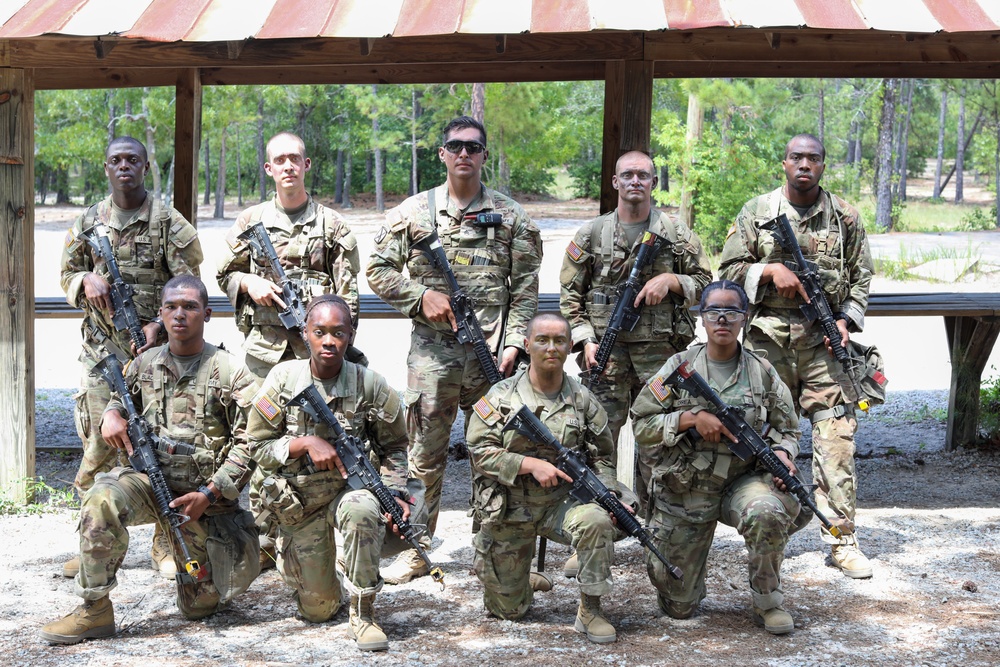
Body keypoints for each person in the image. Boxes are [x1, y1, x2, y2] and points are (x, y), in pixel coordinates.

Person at [367, 115, 542, 584]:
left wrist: (512, 342)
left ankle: (494, 548)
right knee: (424, 454)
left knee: (494, 452)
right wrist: (420, 297)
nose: (464, 153)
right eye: (455, 146)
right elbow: (378, 270)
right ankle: (418, 548)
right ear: (441, 154)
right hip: (433, 357)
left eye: (473, 146)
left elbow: (525, 289)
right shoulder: (413, 214)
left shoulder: (511, 216)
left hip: (492, 359)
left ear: (484, 155)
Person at [40, 276, 259, 645]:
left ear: (207, 314)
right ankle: (94, 610)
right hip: (146, 485)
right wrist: (111, 413)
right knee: (101, 497)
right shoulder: (144, 363)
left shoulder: (230, 371)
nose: (179, 315)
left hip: (201, 502)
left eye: (189, 307)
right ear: (160, 313)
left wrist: (209, 493)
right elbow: (120, 397)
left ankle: (197, 556)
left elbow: (251, 443)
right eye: (171, 307)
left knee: (200, 606)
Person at [719, 133, 875, 579]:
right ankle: (770, 532)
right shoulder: (757, 212)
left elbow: (862, 278)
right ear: (783, 163)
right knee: (765, 441)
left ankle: (841, 540)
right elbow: (726, 272)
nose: (804, 164)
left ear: (823, 166)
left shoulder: (845, 216)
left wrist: (845, 321)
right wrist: (770, 270)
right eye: (796, 157)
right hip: (767, 343)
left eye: (813, 158)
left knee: (837, 439)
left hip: (824, 345)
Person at [59, 136, 204, 580]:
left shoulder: (167, 222)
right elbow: (65, 274)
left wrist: (159, 328)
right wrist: (84, 279)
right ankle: (92, 545)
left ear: (145, 166)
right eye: (116, 160)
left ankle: (165, 541)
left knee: (164, 446)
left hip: (155, 355)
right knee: (99, 448)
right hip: (104, 355)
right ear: (106, 168)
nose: (124, 167)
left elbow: (189, 287)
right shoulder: (87, 221)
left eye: (133, 160)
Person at [217, 131, 363, 568]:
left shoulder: (332, 225)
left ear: (307, 165)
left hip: (315, 357)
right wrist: (249, 282)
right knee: (264, 441)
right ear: (268, 168)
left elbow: (349, 298)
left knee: (321, 438)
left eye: (294, 159)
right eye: (279, 160)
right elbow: (224, 274)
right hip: (266, 355)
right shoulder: (250, 223)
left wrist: (326, 333)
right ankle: (263, 538)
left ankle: (317, 532)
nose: (287, 166)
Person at [631, 280, 809, 634]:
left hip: (745, 480)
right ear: (701, 317)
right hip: (688, 488)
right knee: (678, 608)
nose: (722, 320)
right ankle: (685, 588)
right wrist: (689, 419)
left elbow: (788, 429)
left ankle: (768, 601)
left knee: (767, 511)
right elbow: (641, 423)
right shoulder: (679, 366)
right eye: (714, 312)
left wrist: (783, 453)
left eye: (732, 312)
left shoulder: (762, 371)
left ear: (745, 318)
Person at [560, 149, 711, 556]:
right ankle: (594, 535)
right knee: (596, 444)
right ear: (615, 182)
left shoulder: (677, 233)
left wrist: (672, 281)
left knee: (660, 444)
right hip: (604, 360)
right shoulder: (591, 235)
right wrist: (585, 339)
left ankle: (658, 532)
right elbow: (569, 296)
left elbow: (707, 282)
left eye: (643, 175)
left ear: (653, 183)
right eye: (627, 174)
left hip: (660, 358)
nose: (635, 182)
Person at [247, 295, 416, 652]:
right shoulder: (281, 379)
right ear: (305, 333)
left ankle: (363, 611)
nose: (328, 341)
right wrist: (303, 443)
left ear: (350, 336)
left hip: (348, 493)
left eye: (338, 333)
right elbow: (256, 446)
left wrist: (395, 493)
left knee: (362, 509)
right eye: (319, 332)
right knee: (319, 609)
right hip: (300, 502)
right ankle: (325, 573)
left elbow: (396, 447)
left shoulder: (371, 384)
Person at [467, 313, 622, 644]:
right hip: (508, 509)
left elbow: (604, 456)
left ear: (569, 347)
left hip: (559, 505)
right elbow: (479, 451)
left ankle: (590, 611)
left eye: (559, 341)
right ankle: (522, 580)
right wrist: (528, 464)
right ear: (526, 345)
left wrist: (607, 493)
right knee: (509, 611)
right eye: (542, 340)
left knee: (596, 520)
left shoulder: (582, 399)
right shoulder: (500, 396)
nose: (551, 348)